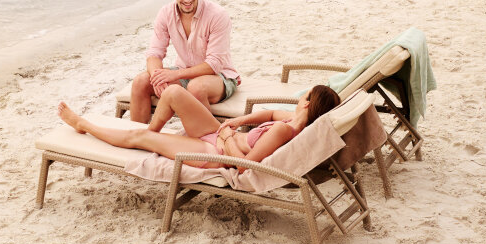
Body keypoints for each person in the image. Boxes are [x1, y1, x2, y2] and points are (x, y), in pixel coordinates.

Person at [59, 83, 341, 171]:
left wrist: (229, 136)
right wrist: (237, 122)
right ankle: (150, 134)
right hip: (219, 135)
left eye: (304, 96)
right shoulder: (291, 120)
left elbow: (244, 166)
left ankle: (84, 125)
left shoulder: (285, 131)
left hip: (214, 152)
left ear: (307, 104)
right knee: (172, 93)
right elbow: (268, 113)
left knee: (137, 136)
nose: (299, 97)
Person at [129, 0, 240, 124]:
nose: (187, 0)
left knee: (196, 87)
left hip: (220, 77)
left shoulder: (217, 15)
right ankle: (138, 139)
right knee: (141, 81)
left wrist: (175, 75)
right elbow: (154, 53)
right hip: (184, 72)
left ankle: (207, 138)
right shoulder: (165, 13)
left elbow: (214, 64)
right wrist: (156, 78)